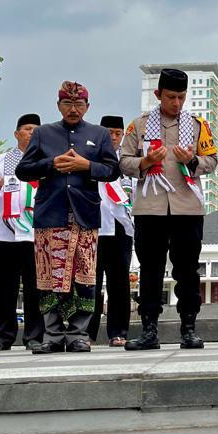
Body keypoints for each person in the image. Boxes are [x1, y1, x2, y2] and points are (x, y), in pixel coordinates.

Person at [16, 81, 122, 353]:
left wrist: (86, 166)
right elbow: (23, 170)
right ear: (58, 105)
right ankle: (52, 335)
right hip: (50, 212)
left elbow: (113, 170)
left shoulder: (99, 134)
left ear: (88, 106)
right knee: (48, 276)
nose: (73, 109)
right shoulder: (43, 133)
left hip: (84, 213)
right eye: (67, 104)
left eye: (79, 104)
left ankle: (78, 334)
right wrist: (51, 164)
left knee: (84, 276)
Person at [121, 69, 218, 351]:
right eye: (171, 97)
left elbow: (212, 160)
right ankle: (149, 329)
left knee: (187, 270)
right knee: (150, 270)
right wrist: (144, 162)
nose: (177, 103)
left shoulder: (198, 126)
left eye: (181, 97)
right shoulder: (139, 126)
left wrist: (194, 161)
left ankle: (189, 328)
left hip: (187, 207)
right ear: (158, 95)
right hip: (150, 209)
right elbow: (123, 161)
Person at [0, 114, 44, 352]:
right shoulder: (1, 160)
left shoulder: (45, 161)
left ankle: (35, 336)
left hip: (34, 234)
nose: (31, 133)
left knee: (34, 288)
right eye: (27, 129)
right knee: (5, 288)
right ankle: (3, 336)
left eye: (36, 130)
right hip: (2, 233)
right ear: (17, 134)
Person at [88, 115, 136, 348]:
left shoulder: (128, 162)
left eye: (118, 133)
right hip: (94, 224)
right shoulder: (89, 159)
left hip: (121, 227)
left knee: (119, 282)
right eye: (109, 132)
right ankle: (88, 331)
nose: (113, 137)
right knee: (91, 281)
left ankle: (118, 331)